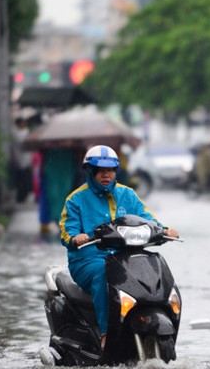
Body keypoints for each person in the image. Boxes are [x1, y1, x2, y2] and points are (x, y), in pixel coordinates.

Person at [60, 145, 177, 348]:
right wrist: (74, 237)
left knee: (155, 270)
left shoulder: (128, 195)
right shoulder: (75, 199)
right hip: (89, 261)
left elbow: (147, 218)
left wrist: (163, 230)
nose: (106, 175)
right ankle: (107, 332)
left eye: (110, 170)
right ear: (90, 172)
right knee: (102, 274)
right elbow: (65, 230)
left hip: (124, 259)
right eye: (101, 171)